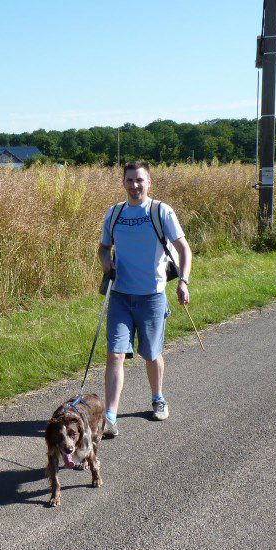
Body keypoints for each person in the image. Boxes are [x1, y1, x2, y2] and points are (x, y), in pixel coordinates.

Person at [98, 161, 192, 436]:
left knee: (151, 354)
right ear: (123, 183)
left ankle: (157, 397)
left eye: (139, 180)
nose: (134, 185)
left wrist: (183, 282)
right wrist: (106, 264)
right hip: (120, 296)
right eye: (129, 180)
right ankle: (110, 416)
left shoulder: (160, 211)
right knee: (115, 354)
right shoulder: (114, 213)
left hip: (152, 296)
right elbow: (104, 249)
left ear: (149, 182)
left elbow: (183, 249)